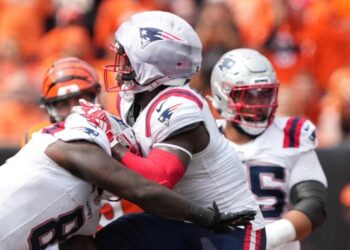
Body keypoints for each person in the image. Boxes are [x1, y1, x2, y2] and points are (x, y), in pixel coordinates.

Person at [92, 10, 266, 250]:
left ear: (153, 66)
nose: (120, 67)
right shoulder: (131, 99)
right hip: (182, 219)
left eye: (127, 59)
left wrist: (113, 144)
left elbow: (157, 181)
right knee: (112, 238)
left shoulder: (180, 107)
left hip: (228, 227)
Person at [0, 97, 253, 249]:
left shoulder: (88, 208)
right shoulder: (75, 144)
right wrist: (205, 217)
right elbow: (141, 189)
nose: (129, 164)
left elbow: (81, 246)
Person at [209, 48, 328, 250]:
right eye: (248, 96)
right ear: (223, 96)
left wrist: (266, 238)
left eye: (264, 94)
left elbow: (313, 204)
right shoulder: (204, 137)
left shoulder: (291, 136)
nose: (259, 104)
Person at [22, 56, 142, 231]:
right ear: (49, 108)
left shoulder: (121, 126)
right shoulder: (37, 136)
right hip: (73, 230)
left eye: (80, 99)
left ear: (96, 96)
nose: (74, 110)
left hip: (130, 224)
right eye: (63, 104)